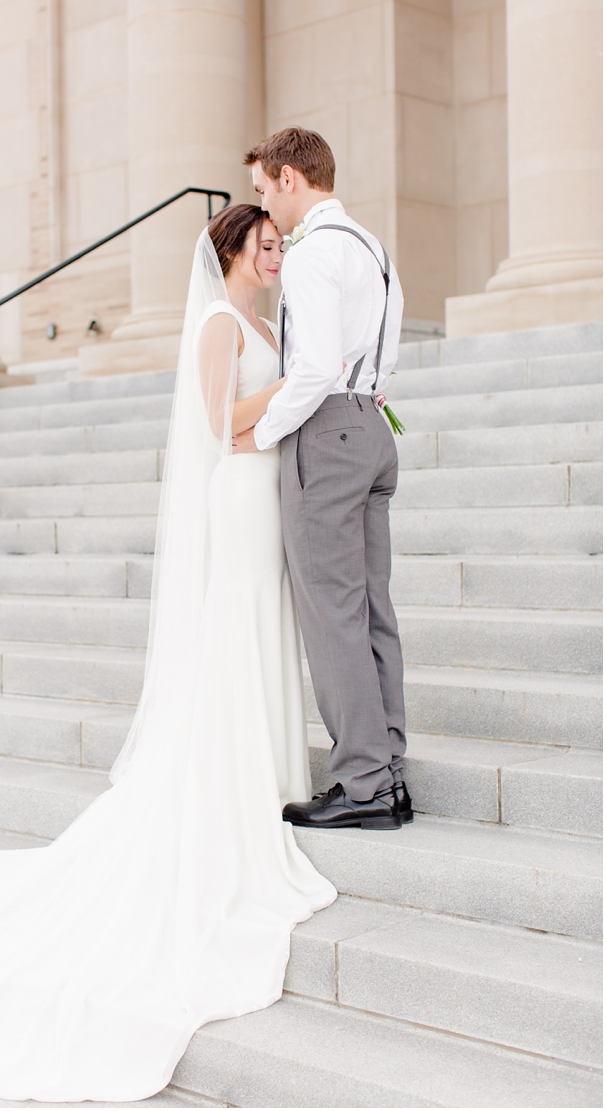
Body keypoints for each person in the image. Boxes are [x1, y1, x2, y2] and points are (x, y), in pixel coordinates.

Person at [0, 204, 336, 1104]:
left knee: (267, 632)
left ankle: (273, 773)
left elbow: (253, 422)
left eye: (281, 242)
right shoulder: (219, 322)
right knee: (237, 635)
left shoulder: (267, 320)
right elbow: (217, 424)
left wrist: (284, 407)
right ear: (234, 252)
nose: (279, 252)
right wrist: (293, 398)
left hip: (269, 497)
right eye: (268, 243)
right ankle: (240, 785)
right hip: (238, 499)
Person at [234, 126, 413, 831]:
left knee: (332, 612)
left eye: (262, 191)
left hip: (329, 433)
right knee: (371, 609)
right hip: (373, 423)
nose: (264, 209)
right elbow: (380, 352)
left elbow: (312, 370)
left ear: (287, 177)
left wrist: (264, 433)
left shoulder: (310, 254)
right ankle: (388, 772)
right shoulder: (373, 248)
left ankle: (363, 783)